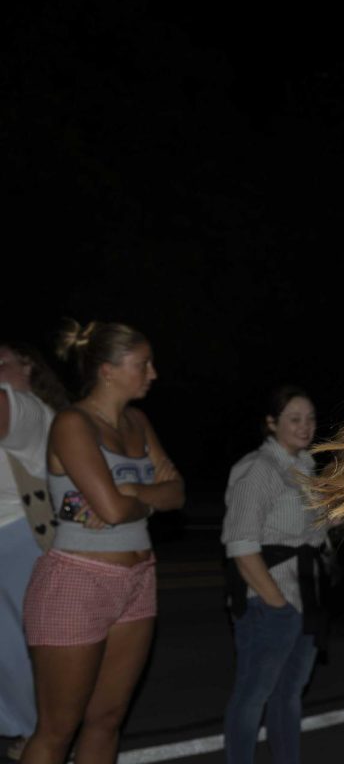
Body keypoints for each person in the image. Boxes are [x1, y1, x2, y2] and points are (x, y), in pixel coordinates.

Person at [21, 321, 184, 764]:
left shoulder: (138, 422)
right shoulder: (73, 425)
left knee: (107, 720)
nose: (153, 373)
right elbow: (112, 509)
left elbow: (177, 492)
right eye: (143, 364)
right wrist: (133, 498)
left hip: (137, 580)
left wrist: (132, 496)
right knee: (57, 730)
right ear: (108, 370)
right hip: (77, 581)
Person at [221, 386, 327, 764]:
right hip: (270, 602)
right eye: (294, 419)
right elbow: (240, 546)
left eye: (310, 418)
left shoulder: (305, 467)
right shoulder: (258, 469)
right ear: (271, 423)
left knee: (288, 696)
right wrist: (278, 605)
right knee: (252, 697)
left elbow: (314, 534)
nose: (305, 426)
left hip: (306, 598)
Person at [1, 343, 67, 761]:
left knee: (28, 659)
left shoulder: (29, 410)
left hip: (20, 543)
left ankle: (43, 739)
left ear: (28, 368)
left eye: (1, 363)